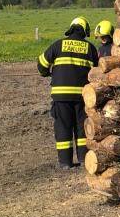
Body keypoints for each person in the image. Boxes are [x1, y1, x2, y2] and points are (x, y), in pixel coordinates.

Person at [36, 16, 98, 168]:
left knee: (63, 127)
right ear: (85, 31)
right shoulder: (89, 48)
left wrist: (46, 72)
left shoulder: (58, 45)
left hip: (61, 96)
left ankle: (65, 162)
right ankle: (84, 158)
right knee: (81, 127)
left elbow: (42, 63)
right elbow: (96, 73)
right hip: (82, 97)